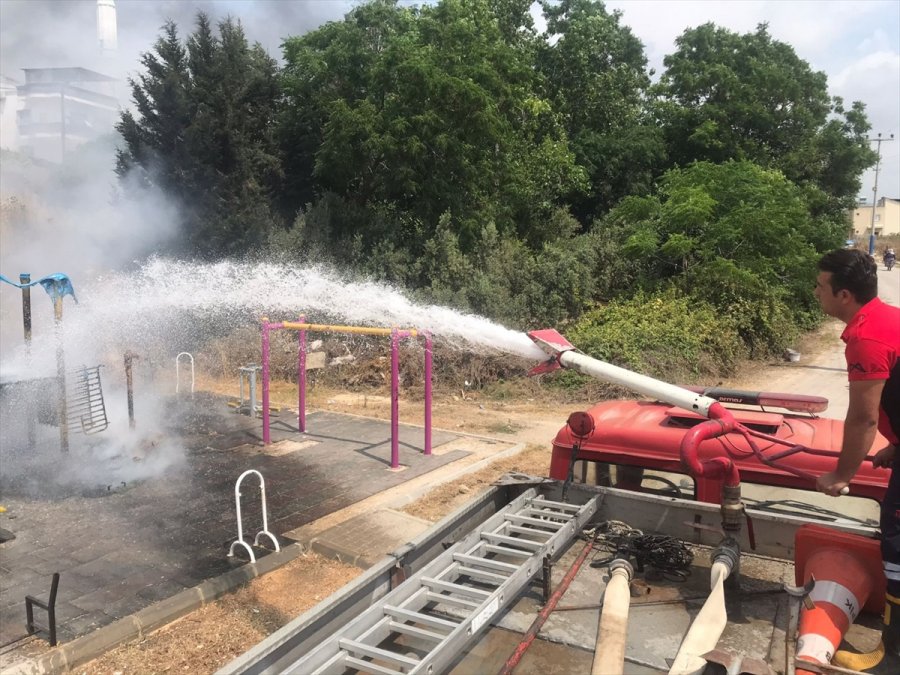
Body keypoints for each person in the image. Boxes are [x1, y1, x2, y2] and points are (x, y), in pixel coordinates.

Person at [814, 248, 900, 673]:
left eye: (820, 286)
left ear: (844, 295)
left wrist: (841, 474)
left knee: (897, 542)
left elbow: (863, 417)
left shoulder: (868, 336)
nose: (816, 292)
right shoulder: (889, 317)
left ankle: (894, 657)